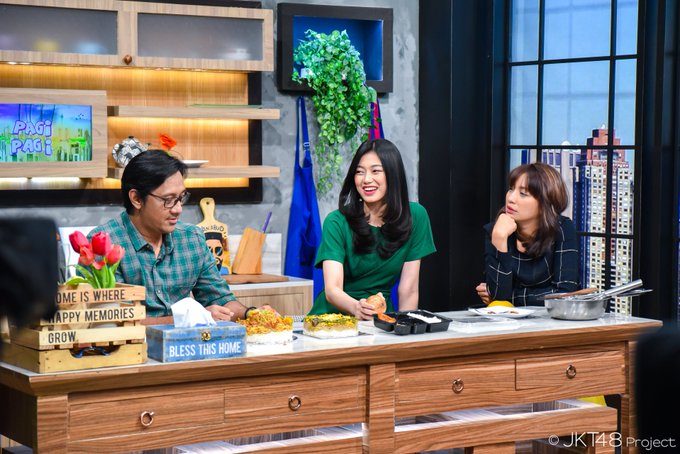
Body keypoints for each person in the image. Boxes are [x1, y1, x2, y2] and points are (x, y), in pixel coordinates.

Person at [90, 150, 252, 320]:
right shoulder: (103, 245)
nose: (178, 209)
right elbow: (111, 321)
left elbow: (221, 300)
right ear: (136, 199)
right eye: (168, 200)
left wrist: (251, 313)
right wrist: (187, 319)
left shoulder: (192, 238)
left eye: (181, 198)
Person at [309, 138, 436, 320]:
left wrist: (405, 327)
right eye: (359, 172)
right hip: (332, 318)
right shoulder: (336, 221)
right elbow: (332, 289)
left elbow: (408, 289)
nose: (366, 179)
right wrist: (357, 308)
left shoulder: (415, 216)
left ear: (393, 174)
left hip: (380, 318)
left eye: (376, 171)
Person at [476, 162, 579, 306]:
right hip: (507, 318)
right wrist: (499, 240)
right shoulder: (498, 231)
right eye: (511, 189)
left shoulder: (562, 228)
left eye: (523, 194)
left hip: (552, 318)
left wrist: (511, 297)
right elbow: (499, 296)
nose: (511, 198)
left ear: (545, 202)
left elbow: (564, 295)